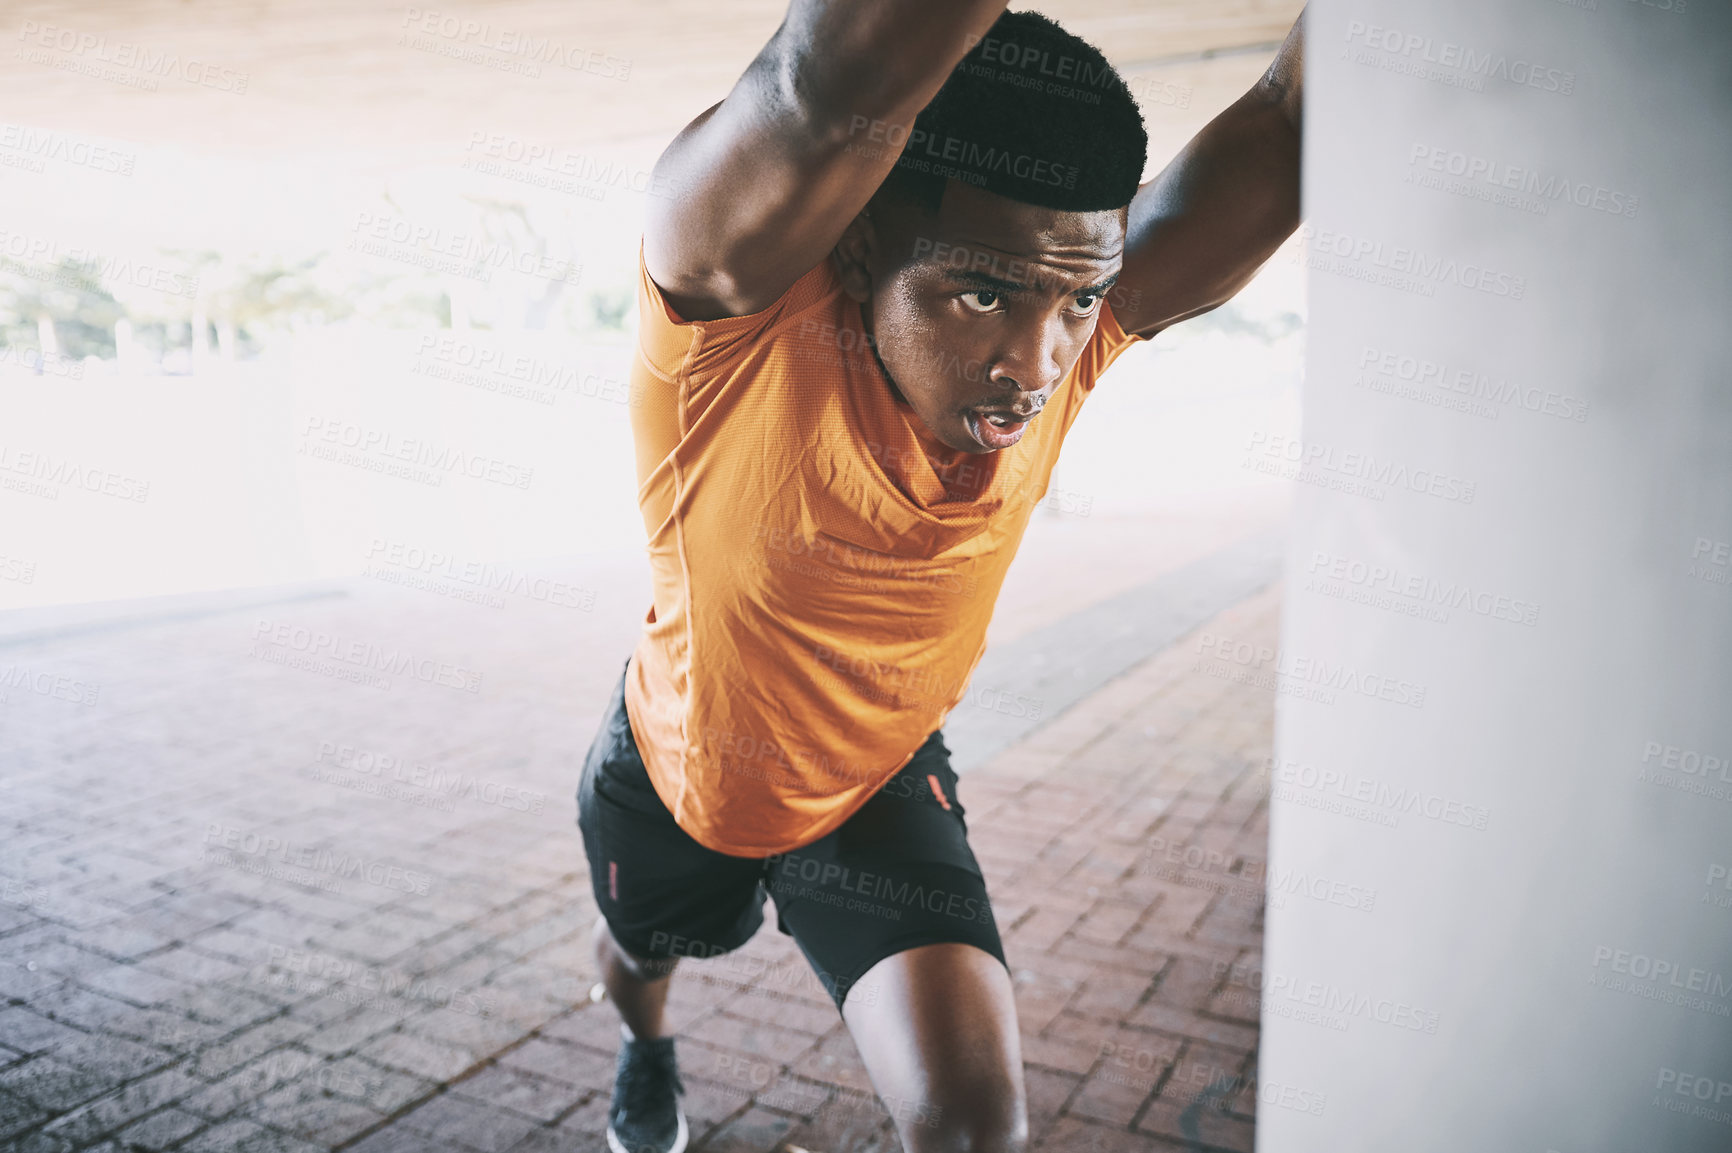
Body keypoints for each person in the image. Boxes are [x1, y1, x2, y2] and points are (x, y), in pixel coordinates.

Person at [576, 4, 1304, 1151]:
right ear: (859, 243)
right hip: (677, 767)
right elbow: (817, 90)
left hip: (869, 783)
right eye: (980, 295)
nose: (1033, 365)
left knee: (973, 1127)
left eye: (1072, 301)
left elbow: (1286, 117)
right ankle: (647, 1047)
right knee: (643, 958)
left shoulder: (1073, 323)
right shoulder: (732, 320)